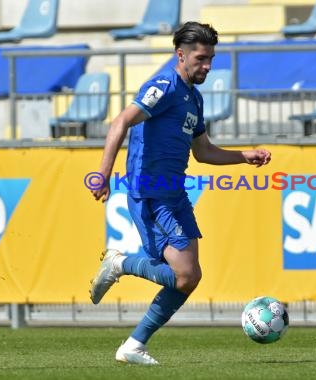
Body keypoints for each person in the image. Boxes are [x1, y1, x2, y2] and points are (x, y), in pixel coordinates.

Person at [89, 21, 271, 365]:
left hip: (175, 194)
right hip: (151, 193)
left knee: (190, 278)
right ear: (181, 54)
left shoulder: (194, 99)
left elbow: (203, 152)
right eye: (201, 58)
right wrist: (103, 172)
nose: (207, 66)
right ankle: (121, 263)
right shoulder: (163, 86)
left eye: (211, 59)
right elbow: (120, 121)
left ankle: (134, 346)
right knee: (183, 274)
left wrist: (242, 156)